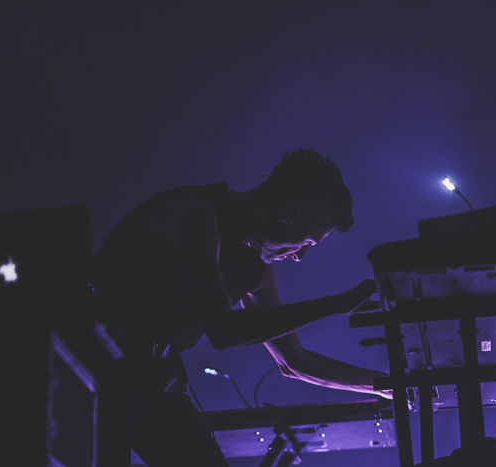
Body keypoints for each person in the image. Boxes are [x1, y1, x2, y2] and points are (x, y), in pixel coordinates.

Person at [90, 149, 391, 466]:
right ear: (290, 212)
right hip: (103, 367)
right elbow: (223, 331)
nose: (300, 255)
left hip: (155, 375)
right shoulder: (196, 215)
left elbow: (294, 362)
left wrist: (386, 386)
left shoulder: (255, 272)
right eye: (309, 240)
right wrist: (337, 304)